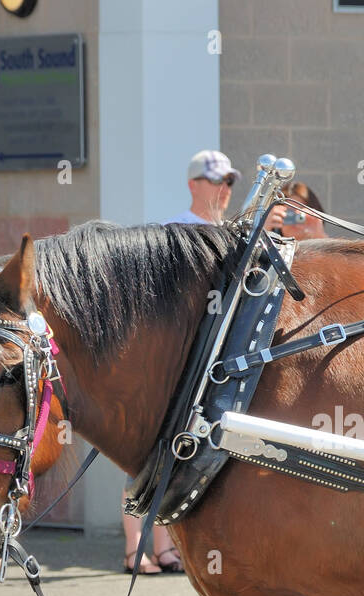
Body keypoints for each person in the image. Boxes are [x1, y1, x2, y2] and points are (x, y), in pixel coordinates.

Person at [121, 149, 242, 574]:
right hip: (171, 362)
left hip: (205, 361)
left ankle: (165, 547)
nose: (224, 190)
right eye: (216, 181)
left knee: (174, 455)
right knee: (143, 456)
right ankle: (135, 549)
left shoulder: (230, 231)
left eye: (229, 182)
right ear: (194, 184)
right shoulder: (176, 232)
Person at [263, 181, 328, 240]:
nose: (296, 218)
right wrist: (262, 231)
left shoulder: (321, 249)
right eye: (289, 213)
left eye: (301, 215)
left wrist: (320, 236)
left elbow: (335, 252)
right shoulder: (269, 248)